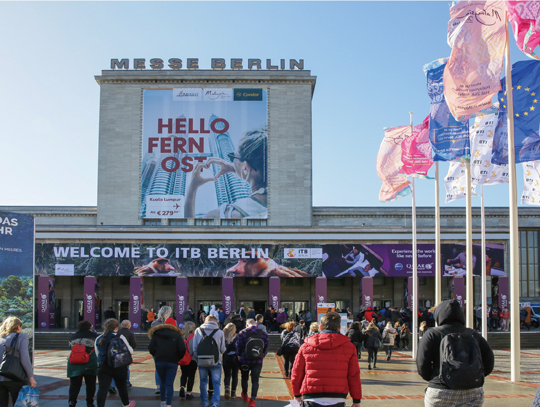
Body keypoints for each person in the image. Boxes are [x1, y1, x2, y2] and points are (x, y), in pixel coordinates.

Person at [417, 299, 494, 407]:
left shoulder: (432, 334)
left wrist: (435, 378)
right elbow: (489, 362)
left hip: (440, 391)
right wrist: (471, 376)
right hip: (472, 392)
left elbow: (422, 365)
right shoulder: (473, 334)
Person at [184, 128, 268, 219]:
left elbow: (191, 230)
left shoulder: (222, 215)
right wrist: (235, 168)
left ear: (245, 167)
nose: (231, 161)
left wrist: (192, 188)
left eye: (232, 157)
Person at [291, 312, 361, 407]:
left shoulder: (305, 347)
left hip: (311, 396)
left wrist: (296, 395)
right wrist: (356, 400)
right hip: (338, 397)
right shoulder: (349, 347)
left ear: (320, 327)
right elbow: (354, 375)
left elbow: (296, 373)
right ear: (339, 328)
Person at [95, 318, 135, 407]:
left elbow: (98, 354)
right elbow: (130, 351)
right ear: (117, 327)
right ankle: (126, 404)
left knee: (102, 389)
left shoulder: (99, 338)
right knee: (122, 387)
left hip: (104, 367)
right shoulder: (120, 337)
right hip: (119, 366)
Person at [148, 317, 186, 407]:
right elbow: (182, 349)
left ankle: (162, 402)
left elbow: (150, 348)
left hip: (160, 360)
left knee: (162, 382)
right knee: (170, 383)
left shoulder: (156, 334)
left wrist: (156, 354)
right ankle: (169, 404)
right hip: (172, 361)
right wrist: (178, 358)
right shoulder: (177, 335)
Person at [0, 317, 37, 406]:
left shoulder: (1, 338)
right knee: (19, 403)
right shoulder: (21, 337)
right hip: (15, 377)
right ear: (18, 327)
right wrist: (31, 378)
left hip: (0, 378)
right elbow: (24, 359)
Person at [192, 315, 226, 407]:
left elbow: (194, 347)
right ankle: (215, 403)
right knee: (216, 383)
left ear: (205, 321)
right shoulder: (220, 332)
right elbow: (222, 349)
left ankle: (205, 402)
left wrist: (198, 357)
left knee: (203, 382)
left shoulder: (198, 331)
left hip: (202, 360)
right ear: (216, 322)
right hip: (216, 361)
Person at [236, 318, 269, 407]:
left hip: (245, 359)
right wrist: (262, 356)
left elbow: (238, 346)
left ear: (247, 325)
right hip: (257, 360)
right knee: (255, 380)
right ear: (256, 325)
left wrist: (239, 355)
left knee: (244, 378)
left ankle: (245, 395)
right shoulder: (263, 333)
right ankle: (253, 400)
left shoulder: (242, 333)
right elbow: (266, 347)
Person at [67, 320, 99, 407]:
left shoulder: (73, 336)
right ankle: (89, 402)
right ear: (90, 327)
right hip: (90, 363)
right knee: (91, 384)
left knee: (74, 384)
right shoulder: (95, 336)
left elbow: (70, 347)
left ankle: (72, 401)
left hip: (74, 363)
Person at [151, 306, 173, 394]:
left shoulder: (154, 323)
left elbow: (151, 336)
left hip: (157, 348)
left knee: (158, 368)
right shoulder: (172, 322)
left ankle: (159, 387)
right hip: (168, 348)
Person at [179, 321, 197, 400]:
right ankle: (189, 393)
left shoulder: (181, 336)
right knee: (191, 376)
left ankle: (182, 387)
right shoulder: (194, 336)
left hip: (183, 358)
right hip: (192, 359)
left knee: (184, 374)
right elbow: (193, 349)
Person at [118, 320, 137, 388]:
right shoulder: (130, 333)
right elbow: (134, 343)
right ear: (129, 326)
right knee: (126, 368)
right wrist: (131, 349)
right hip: (126, 353)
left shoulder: (117, 332)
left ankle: (116, 382)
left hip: (116, 352)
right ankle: (126, 382)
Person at [222, 323, 239, 400]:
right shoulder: (237, 337)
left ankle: (227, 387)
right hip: (235, 359)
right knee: (235, 375)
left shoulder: (223, 337)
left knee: (227, 375)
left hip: (226, 358)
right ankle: (233, 393)